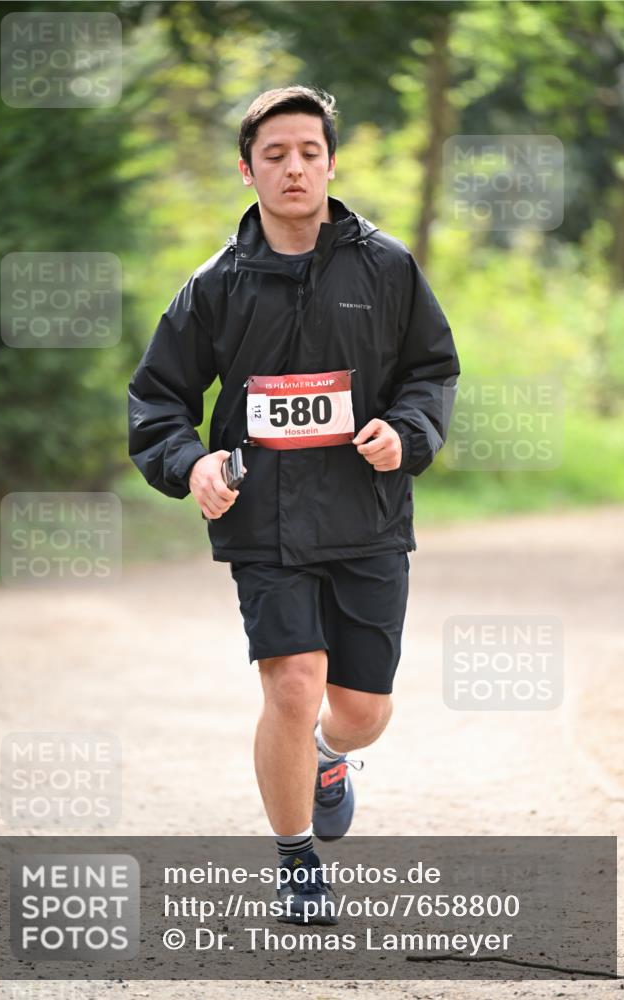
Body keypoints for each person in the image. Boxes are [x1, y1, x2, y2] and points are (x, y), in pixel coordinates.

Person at [128, 86, 459, 924]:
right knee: (291, 683)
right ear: (248, 170)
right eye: (273, 154)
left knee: (360, 711)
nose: (293, 167)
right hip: (263, 519)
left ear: (331, 163)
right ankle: (295, 860)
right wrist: (191, 461)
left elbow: (431, 371)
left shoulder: (386, 267)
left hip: (367, 514)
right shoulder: (215, 285)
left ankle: (328, 757)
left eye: (308, 151)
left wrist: (407, 431)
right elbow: (158, 400)